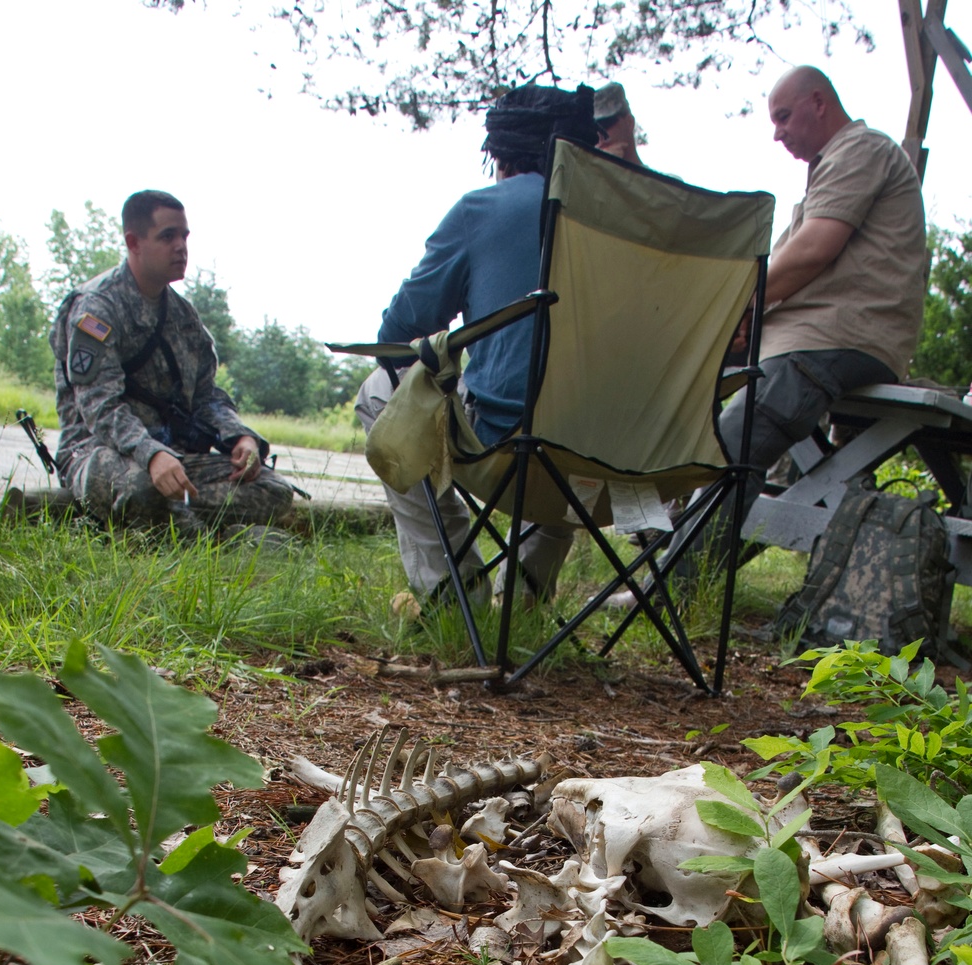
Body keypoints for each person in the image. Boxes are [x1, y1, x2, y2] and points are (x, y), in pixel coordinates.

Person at [355, 85, 598, 607]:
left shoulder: (485, 209)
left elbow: (397, 334)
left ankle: (453, 588)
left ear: (501, 157)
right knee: (569, 415)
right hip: (623, 462)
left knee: (381, 391)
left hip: (510, 450)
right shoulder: (634, 220)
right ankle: (525, 595)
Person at [689, 65, 927, 575]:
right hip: (807, 338)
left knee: (731, 443)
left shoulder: (861, 150)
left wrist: (740, 305)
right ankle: (656, 525)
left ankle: (676, 589)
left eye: (783, 116)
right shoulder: (832, 169)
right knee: (688, 377)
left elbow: (813, 252)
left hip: (837, 339)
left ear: (818, 102)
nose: (777, 133)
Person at [46, 190, 302, 536]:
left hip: (171, 457)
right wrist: (150, 454)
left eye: (184, 236)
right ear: (133, 242)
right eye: (167, 236)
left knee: (273, 490)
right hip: (97, 452)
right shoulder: (97, 309)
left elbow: (207, 396)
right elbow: (99, 408)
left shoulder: (184, 317)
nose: (181, 246)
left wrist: (242, 438)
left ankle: (150, 527)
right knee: (143, 489)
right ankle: (217, 543)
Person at [593, 81, 643, 167]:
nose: (599, 135)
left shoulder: (659, 180)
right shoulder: (586, 173)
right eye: (593, 129)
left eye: (605, 125)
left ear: (629, 122)